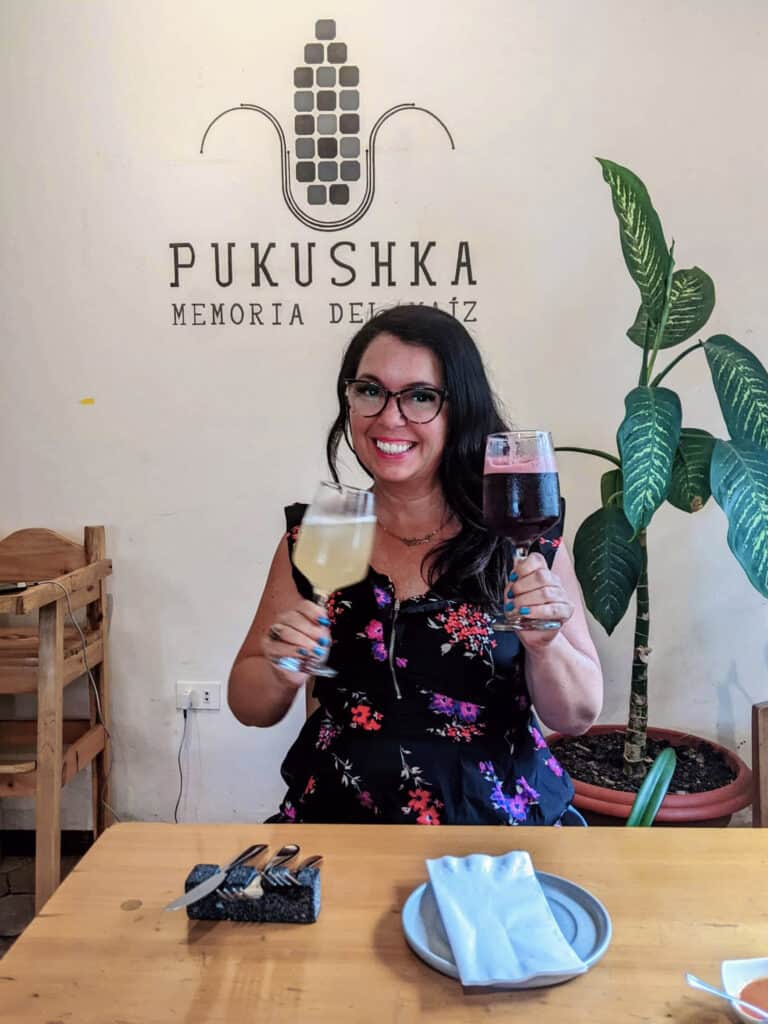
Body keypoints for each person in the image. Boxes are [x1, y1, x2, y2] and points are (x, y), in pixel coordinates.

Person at [228, 305, 603, 825]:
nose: (389, 417)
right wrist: (280, 667)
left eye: (420, 397)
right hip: (340, 820)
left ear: (459, 410)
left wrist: (547, 645)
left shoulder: (517, 540)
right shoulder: (321, 531)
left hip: (494, 830)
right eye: (369, 390)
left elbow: (579, 715)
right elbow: (249, 705)